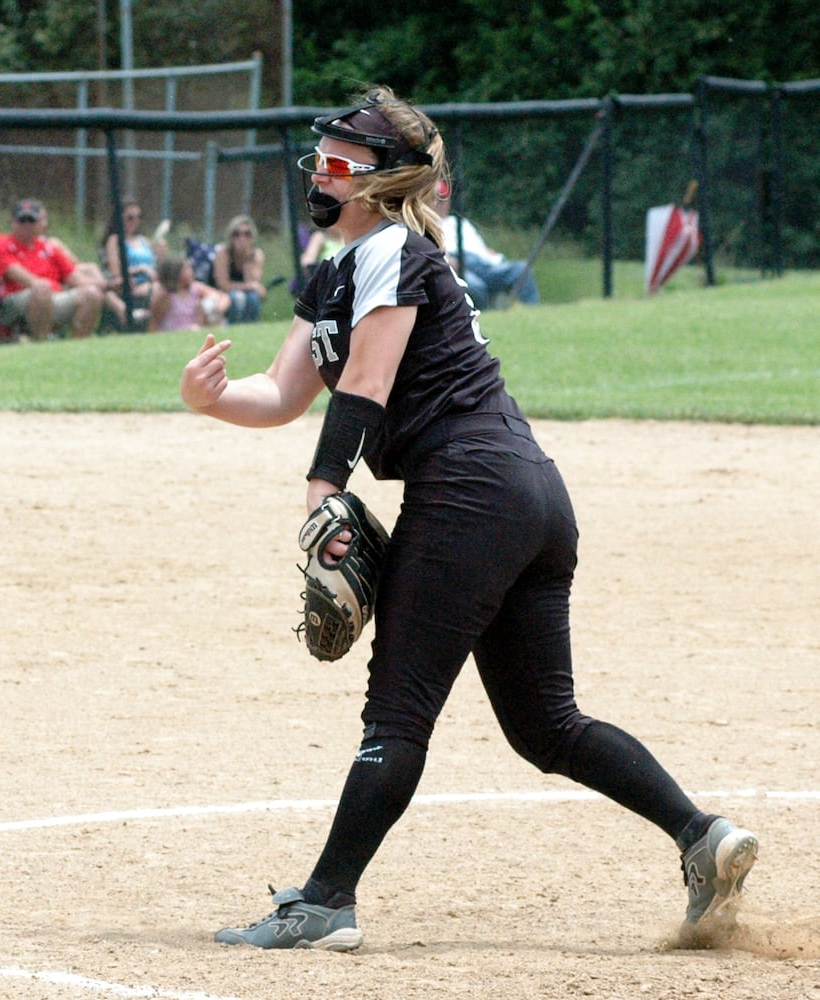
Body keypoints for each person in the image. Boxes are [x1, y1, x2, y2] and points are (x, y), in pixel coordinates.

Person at [181, 84, 757, 953]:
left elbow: (368, 385)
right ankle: (702, 837)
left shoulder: (392, 251)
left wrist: (323, 487)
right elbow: (283, 391)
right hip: (525, 492)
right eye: (322, 160)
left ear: (381, 186)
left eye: (340, 164)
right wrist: (216, 400)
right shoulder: (336, 273)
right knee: (546, 726)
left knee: (398, 711)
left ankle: (326, 902)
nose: (322, 174)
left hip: (471, 489)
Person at [0, 198, 102, 340]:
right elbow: (26, 279)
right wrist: (50, 287)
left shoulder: (49, 247)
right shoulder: (2, 246)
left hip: (53, 297)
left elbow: (75, 278)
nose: (27, 225)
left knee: (91, 293)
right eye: (22, 221)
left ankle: (78, 345)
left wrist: (105, 285)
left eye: (31, 221)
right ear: (13, 223)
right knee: (41, 289)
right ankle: (42, 343)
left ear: (40, 223)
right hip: (14, 301)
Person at [437, 180, 539, 310]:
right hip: (458, 264)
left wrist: (493, 256)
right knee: (476, 287)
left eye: (444, 199)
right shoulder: (426, 224)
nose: (441, 204)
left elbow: (481, 248)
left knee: (522, 270)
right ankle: (484, 319)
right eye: (437, 199)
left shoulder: (461, 223)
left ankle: (532, 312)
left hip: (483, 263)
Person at [100, 197, 165, 328]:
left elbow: (156, 267)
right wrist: (140, 269)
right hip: (131, 285)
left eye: (138, 217)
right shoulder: (115, 240)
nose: (135, 221)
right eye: (130, 217)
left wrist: (160, 255)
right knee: (161, 290)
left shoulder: (144, 241)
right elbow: (115, 272)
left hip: (151, 282)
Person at [211, 214, 269, 324]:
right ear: (230, 236)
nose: (242, 238)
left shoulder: (256, 255)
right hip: (223, 293)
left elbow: (253, 281)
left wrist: (247, 258)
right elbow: (223, 285)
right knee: (236, 297)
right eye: (236, 234)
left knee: (253, 298)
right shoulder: (223, 253)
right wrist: (249, 286)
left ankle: (252, 327)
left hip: (246, 293)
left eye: (247, 234)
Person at [148, 253, 227, 332]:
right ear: (175, 273)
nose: (191, 271)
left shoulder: (196, 288)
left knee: (208, 303)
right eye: (186, 269)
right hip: (174, 331)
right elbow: (154, 321)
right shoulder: (166, 296)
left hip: (195, 328)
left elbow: (222, 296)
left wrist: (219, 306)